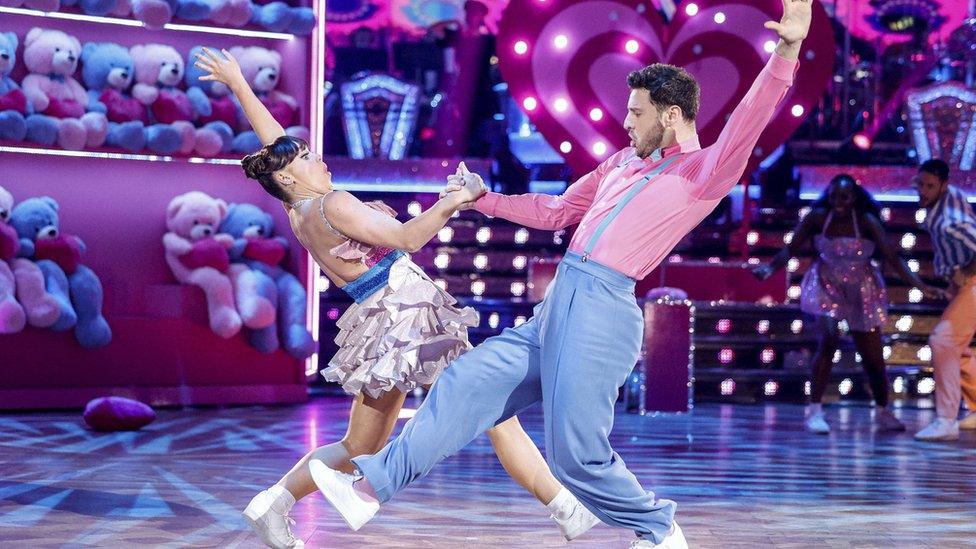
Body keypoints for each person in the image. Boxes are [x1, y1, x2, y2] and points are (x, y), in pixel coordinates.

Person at [305, 1, 815, 548]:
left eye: (637, 113)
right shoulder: (622, 163)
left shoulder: (703, 172)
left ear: (670, 116)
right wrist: (485, 200)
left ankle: (658, 529)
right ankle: (370, 490)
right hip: (561, 304)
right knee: (466, 382)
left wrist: (786, 51)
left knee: (576, 458)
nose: (626, 122)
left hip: (602, 310)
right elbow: (557, 213)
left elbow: (749, 117)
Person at [192, 48, 600, 548]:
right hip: (408, 315)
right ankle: (564, 506)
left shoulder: (300, 213)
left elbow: (274, 143)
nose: (317, 157)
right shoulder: (333, 203)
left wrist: (239, 85)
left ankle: (273, 502)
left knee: (361, 444)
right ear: (287, 177)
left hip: (379, 319)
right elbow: (407, 238)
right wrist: (453, 201)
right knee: (492, 404)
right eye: (305, 158)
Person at [753, 174, 940, 433]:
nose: (838, 202)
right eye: (833, 197)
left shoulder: (866, 221)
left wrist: (920, 285)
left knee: (873, 357)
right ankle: (815, 410)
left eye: (844, 197)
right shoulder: (817, 217)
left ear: (854, 198)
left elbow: (893, 258)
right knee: (828, 337)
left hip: (861, 288)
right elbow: (790, 249)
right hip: (826, 282)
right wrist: (769, 268)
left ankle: (883, 411)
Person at [912, 159, 976, 441]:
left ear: (943, 186)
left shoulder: (950, 221)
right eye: (920, 184)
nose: (923, 191)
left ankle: (946, 419)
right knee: (956, 347)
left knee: (943, 341)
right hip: (965, 282)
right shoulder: (948, 199)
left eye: (930, 186)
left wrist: (967, 272)